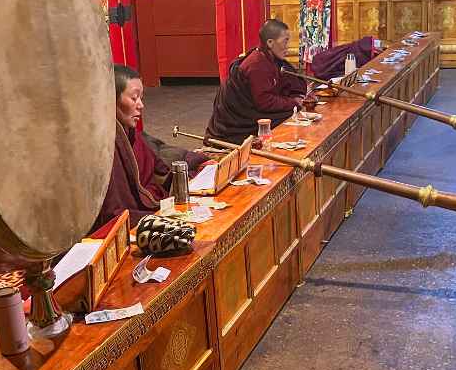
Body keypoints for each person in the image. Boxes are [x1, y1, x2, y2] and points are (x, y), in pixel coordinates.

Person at [92, 65, 208, 234]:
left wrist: (198, 165)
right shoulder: (104, 146)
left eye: (141, 97)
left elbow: (159, 167)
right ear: (112, 99)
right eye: (134, 98)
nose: (141, 105)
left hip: (149, 208)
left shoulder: (130, 132)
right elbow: (113, 214)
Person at [206, 19, 307, 144]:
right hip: (236, 124)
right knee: (291, 115)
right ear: (270, 42)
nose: (288, 45)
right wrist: (293, 102)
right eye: (285, 41)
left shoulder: (269, 58)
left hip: (251, 112)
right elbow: (265, 102)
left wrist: (296, 97)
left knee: (294, 113)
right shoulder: (256, 64)